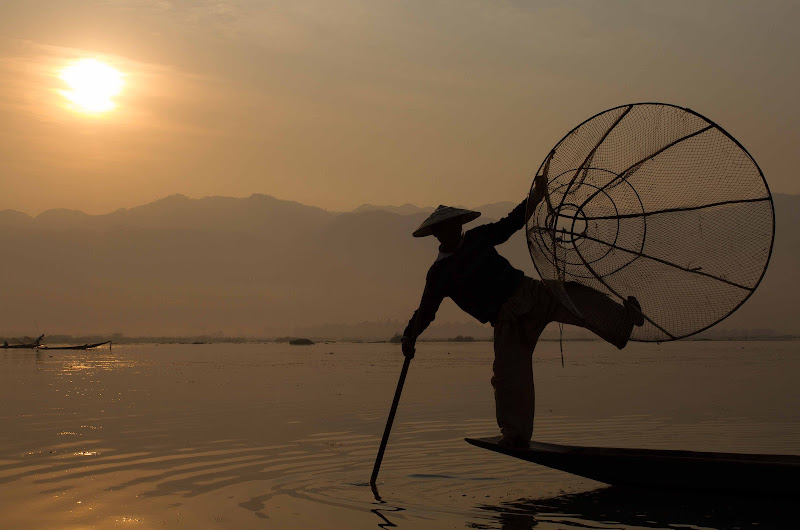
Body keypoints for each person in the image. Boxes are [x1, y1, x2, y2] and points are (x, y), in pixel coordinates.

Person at [401, 175, 643, 448]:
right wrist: (410, 336)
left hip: (529, 293)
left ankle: (623, 322)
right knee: (508, 378)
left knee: (574, 296)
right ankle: (515, 434)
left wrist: (535, 198)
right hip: (507, 320)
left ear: (459, 225)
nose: (452, 231)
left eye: (454, 225)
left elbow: (510, 224)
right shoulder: (439, 274)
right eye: (445, 228)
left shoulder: (478, 238)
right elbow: (426, 311)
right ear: (437, 234)